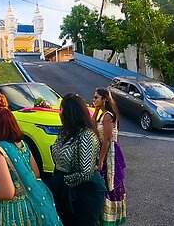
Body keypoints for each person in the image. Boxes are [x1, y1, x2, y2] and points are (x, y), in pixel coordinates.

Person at [0, 107, 62, 226]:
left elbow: (8, 193)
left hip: (17, 210)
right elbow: (36, 174)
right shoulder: (22, 144)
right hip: (35, 200)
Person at [47, 93, 106, 225]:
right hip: (65, 187)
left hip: (85, 192)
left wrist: (62, 181)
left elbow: (85, 173)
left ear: (69, 112)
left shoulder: (87, 135)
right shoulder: (65, 131)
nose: (59, 113)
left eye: (61, 109)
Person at [93, 88, 127, 225]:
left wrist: (101, 160)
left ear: (104, 99)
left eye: (96, 97)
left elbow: (107, 139)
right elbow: (91, 125)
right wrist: (95, 110)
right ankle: (103, 217)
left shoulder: (108, 116)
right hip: (104, 151)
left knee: (109, 184)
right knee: (104, 184)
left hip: (109, 153)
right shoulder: (101, 114)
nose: (94, 100)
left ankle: (110, 219)